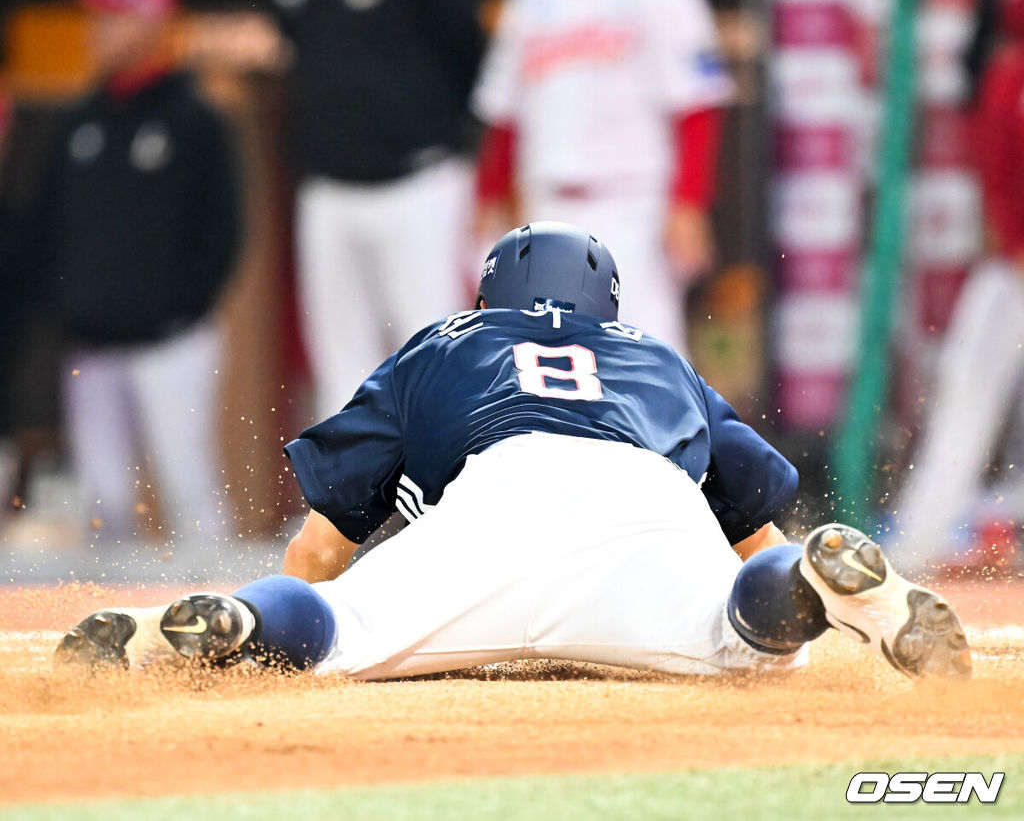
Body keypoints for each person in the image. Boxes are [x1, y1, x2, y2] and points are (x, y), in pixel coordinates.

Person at [56, 222, 970, 681]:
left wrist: (295, 597)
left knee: (337, 627)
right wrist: (771, 581)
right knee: (746, 635)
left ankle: (244, 622)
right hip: (647, 506)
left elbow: (323, 546)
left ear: (490, 295)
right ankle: (808, 588)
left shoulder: (445, 342)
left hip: (494, 503)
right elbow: (752, 530)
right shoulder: (659, 358)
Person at [473, 0, 733, 353]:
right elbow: (504, 112)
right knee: (542, 354)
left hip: (631, 205)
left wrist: (689, 204)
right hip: (544, 205)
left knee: (643, 351)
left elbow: (697, 107)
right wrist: (488, 196)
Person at [31, 0, 241, 550]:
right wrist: (68, 308)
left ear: (153, 20)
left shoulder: (193, 118)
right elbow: (48, 228)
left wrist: (181, 309)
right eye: (95, 17)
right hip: (92, 345)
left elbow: (223, 231)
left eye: (114, 16)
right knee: (102, 505)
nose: (99, 30)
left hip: (172, 340)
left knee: (188, 487)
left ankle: (222, 607)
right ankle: (102, 615)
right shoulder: (78, 123)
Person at [261, 0, 485, 419]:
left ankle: (451, 475)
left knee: (434, 351)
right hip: (329, 186)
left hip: (418, 182)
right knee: (339, 362)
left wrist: (440, 131)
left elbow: (469, 48)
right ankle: (354, 477)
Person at [893, 0, 1024, 572]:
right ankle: (918, 542)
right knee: (966, 396)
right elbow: (997, 176)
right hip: (1010, 268)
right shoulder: (1007, 73)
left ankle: (927, 538)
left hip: (1008, 263)